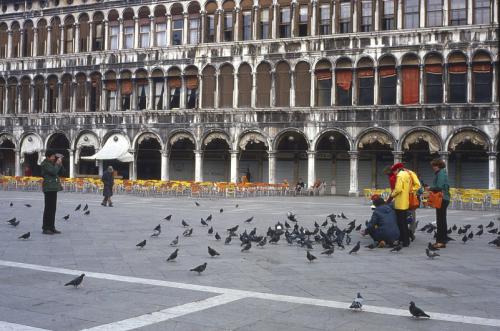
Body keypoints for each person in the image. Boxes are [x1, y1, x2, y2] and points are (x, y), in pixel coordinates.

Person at [389, 162, 420, 247]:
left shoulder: (400, 176)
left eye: (394, 171)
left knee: (400, 223)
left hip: (400, 202)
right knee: (404, 222)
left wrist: (392, 195)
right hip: (406, 202)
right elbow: (416, 185)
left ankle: (404, 241)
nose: (394, 173)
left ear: (397, 170)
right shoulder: (408, 174)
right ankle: (405, 240)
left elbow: (398, 189)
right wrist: (410, 191)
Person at [428, 158, 450, 249]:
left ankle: (440, 242)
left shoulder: (441, 173)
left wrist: (430, 188)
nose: (433, 168)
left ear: (438, 166)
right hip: (445, 198)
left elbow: (439, 186)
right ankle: (443, 239)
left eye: (434, 166)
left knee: (440, 220)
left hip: (442, 198)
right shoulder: (443, 172)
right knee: (442, 219)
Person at [41, 149, 63, 234]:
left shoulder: (52, 164)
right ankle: (45, 228)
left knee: (53, 208)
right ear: (48, 157)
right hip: (48, 188)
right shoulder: (45, 164)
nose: (54, 158)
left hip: (53, 188)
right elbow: (53, 172)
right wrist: (57, 164)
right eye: (53, 156)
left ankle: (51, 227)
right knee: (48, 208)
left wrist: (60, 164)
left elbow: (61, 172)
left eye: (54, 156)